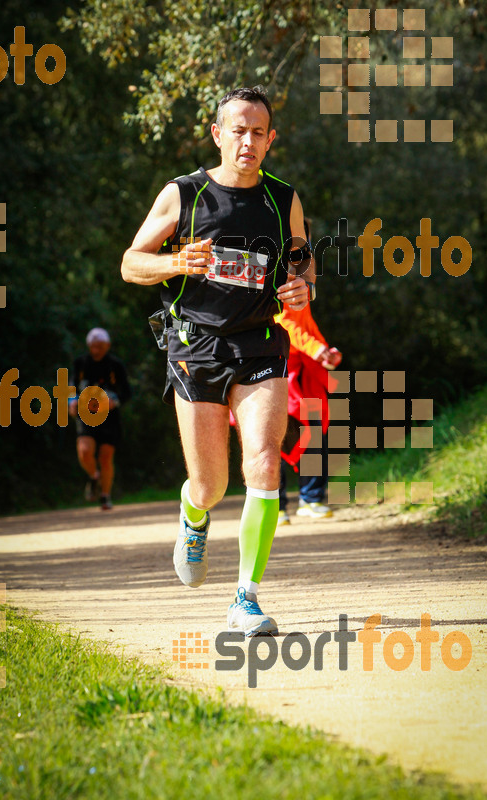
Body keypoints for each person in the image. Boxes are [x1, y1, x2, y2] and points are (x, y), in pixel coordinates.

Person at [121, 86, 314, 637]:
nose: (247, 141)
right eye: (237, 130)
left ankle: (245, 598)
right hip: (194, 345)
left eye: (258, 132)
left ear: (271, 139)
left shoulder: (284, 199)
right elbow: (131, 264)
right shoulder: (184, 194)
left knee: (264, 460)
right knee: (211, 484)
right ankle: (194, 512)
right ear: (217, 134)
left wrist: (302, 289)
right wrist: (177, 261)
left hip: (258, 343)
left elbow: (302, 266)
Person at [275, 302, 342, 524]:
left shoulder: (302, 273)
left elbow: (305, 323)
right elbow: (281, 321)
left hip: (305, 369)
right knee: (274, 437)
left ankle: (311, 499)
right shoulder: (273, 272)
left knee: (313, 432)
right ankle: (274, 506)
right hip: (274, 366)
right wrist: (315, 348)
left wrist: (322, 350)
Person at [69, 328, 131, 510]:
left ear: (107, 346)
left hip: (109, 417)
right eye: (93, 346)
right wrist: (71, 401)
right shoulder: (80, 363)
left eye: (100, 346)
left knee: (106, 456)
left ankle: (105, 496)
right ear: (89, 346)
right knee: (84, 451)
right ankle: (94, 476)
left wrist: (115, 401)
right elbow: (71, 385)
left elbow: (126, 391)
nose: (96, 350)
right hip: (86, 414)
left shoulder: (115, 365)